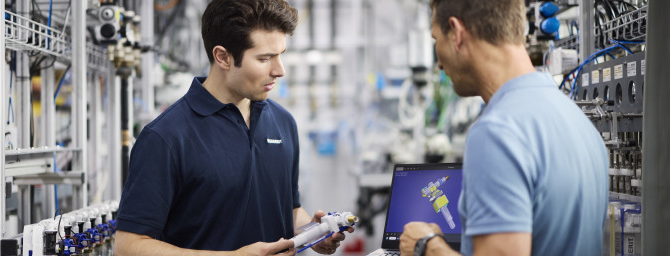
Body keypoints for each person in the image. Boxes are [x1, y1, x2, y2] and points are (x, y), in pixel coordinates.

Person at [114, 0, 352, 255]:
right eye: (265, 58)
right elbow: (129, 246)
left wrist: (312, 233)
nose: (279, 70)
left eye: (280, 55)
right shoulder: (166, 138)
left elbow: (289, 208)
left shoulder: (283, 123)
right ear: (223, 57)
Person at [399, 0, 608, 255]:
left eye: (436, 41)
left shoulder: (497, 133)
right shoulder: (578, 122)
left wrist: (427, 246)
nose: (439, 64)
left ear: (456, 33)